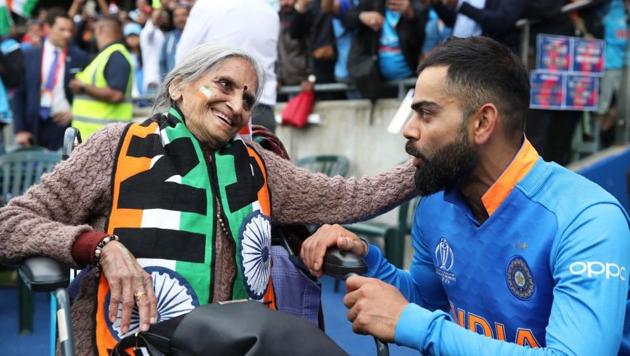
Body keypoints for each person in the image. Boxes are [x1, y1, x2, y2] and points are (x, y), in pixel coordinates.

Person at [0, 44, 417, 355]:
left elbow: (349, 197)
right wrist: (99, 247)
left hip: (234, 343)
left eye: (248, 99)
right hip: (129, 343)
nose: (237, 105)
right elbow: (10, 224)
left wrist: (426, 168)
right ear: (179, 86)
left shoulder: (258, 163)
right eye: (224, 85)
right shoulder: (117, 146)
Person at [301, 36, 630, 354]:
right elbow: (426, 301)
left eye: (426, 113)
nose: (409, 129)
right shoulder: (435, 205)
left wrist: (420, 327)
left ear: (483, 123)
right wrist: (368, 260)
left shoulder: (589, 219)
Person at [176, 0, 280, 132]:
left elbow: (184, 60)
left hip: (217, 109)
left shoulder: (208, 5)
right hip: (262, 111)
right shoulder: (270, 12)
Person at [11, 8, 89, 151]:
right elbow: (19, 93)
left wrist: (74, 111)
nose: (67, 34)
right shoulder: (29, 55)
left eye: (70, 30)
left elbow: (88, 91)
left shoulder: (80, 58)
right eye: (62, 29)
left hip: (64, 126)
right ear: (48, 28)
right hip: (34, 125)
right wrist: (20, 129)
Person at [70, 16, 133, 140]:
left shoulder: (116, 56)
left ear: (99, 29)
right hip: (95, 139)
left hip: (105, 141)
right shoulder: (106, 55)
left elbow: (116, 95)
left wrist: (82, 87)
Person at [159, 3, 188, 79]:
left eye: (183, 15)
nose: (180, 19)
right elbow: (162, 62)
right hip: (172, 84)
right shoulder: (169, 37)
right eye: (176, 16)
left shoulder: (196, 36)